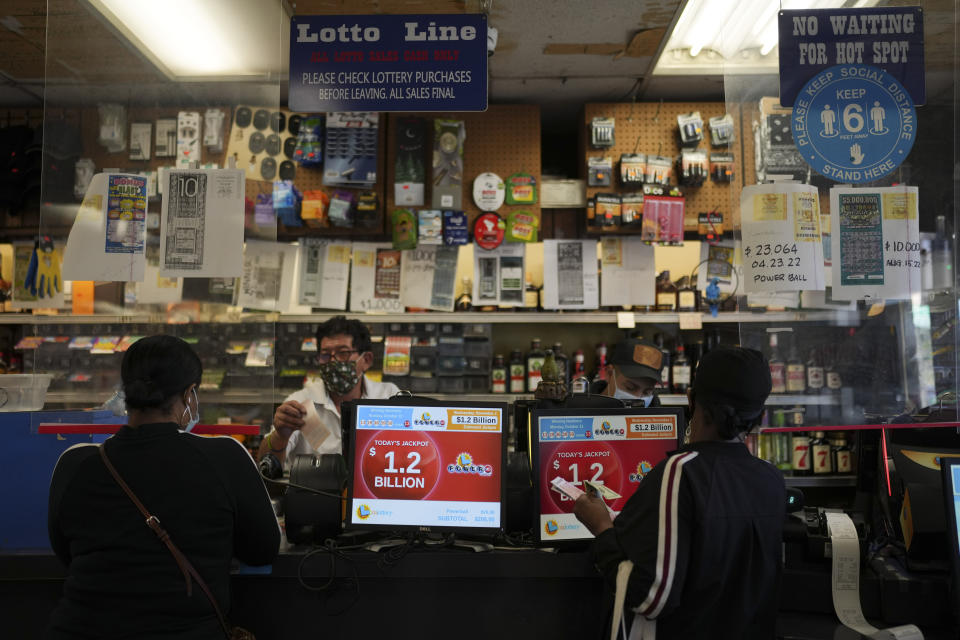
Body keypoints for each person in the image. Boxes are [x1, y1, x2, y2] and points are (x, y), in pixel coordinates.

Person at [47, 335, 280, 639]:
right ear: (189, 394)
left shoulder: (75, 462)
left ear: (127, 390)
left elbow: (66, 554)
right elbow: (262, 550)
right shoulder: (225, 457)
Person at [574, 346, 785, 640]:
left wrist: (602, 528)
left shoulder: (679, 473)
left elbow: (649, 599)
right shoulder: (771, 477)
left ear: (691, 400)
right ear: (760, 415)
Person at [259, 316, 400, 466]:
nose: (333, 362)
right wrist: (280, 436)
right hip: (313, 489)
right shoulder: (300, 403)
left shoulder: (389, 397)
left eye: (343, 353)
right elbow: (265, 464)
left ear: (366, 360)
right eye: (325, 355)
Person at [592, 338, 663, 407]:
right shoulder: (583, 410)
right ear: (609, 374)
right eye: (630, 387)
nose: (637, 398)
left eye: (646, 393)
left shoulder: (660, 415)